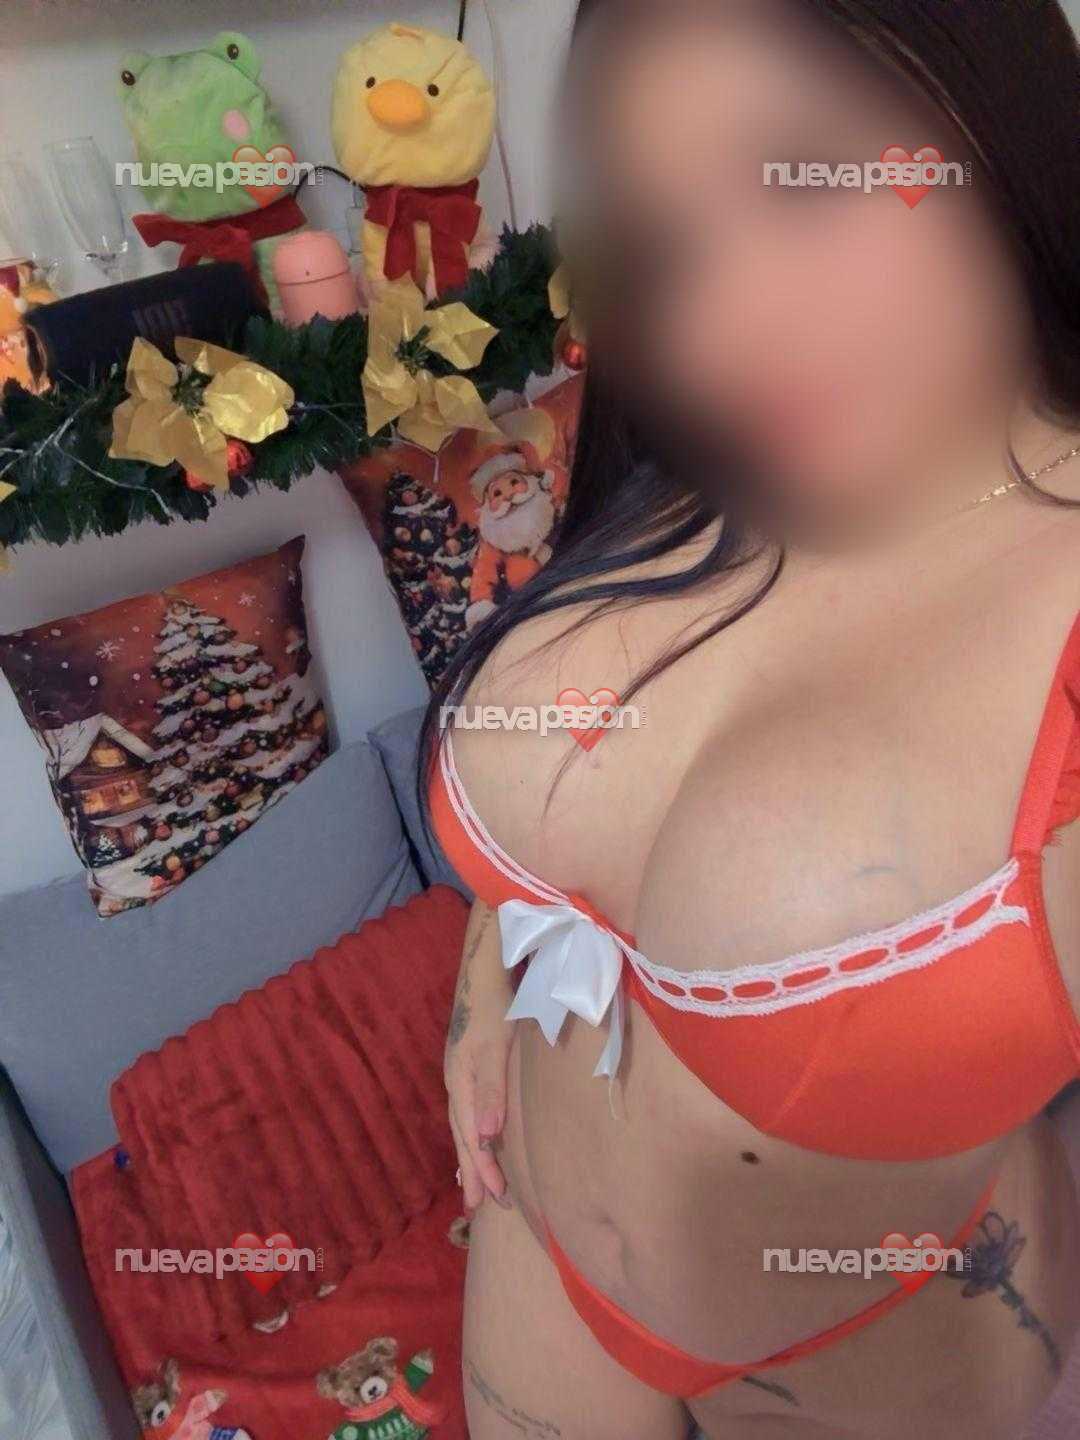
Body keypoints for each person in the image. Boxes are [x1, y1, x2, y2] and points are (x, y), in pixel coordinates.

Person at [422, 1, 1080, 1435]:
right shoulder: (705, 467)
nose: (723, 327)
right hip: (532, 1254)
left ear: (1003, 129)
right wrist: (487, 983)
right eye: (668, 246)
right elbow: (564, 825)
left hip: (864, 1352)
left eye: (805, 178)